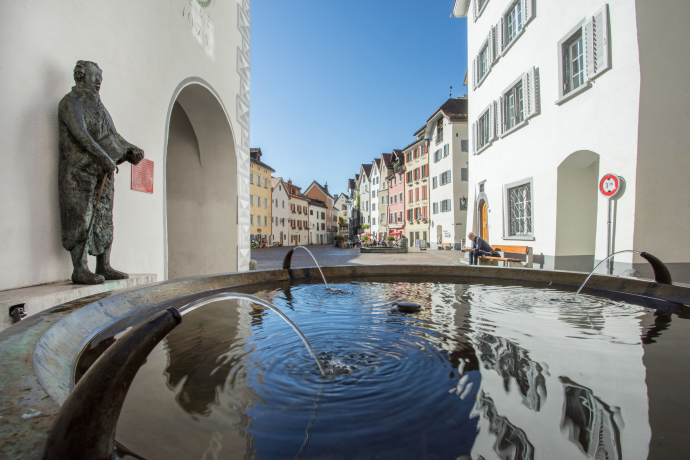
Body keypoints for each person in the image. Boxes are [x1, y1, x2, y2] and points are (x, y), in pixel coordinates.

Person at [58, 61, 145, 284]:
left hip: (102, 171)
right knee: (81, 217)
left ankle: (103, 265)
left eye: (100, 78)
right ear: (80, 76)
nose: (98, 82)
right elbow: (81, 135)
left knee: (104, 217)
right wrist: (103, 157)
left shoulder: (99, 106)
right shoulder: (71, 102)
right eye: (94, 76)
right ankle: (79, 268)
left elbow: (113, 136)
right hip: (79, 172)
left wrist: (130, 149)